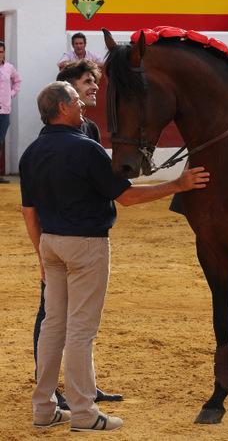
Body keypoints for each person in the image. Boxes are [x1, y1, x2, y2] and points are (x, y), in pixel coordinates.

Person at [20, 81, 209, 431]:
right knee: (79, 331)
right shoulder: (87, 149)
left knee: (53, 327)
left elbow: (28, 213)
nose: (83, 106)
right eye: (76, 101)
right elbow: (126, 197)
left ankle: (44, 409)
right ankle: (83, 413)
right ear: (61, 108)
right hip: (86, 245)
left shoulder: (30, 152)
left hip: (51, 245)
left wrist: (41, 256)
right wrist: (177, 185)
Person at [33, 61, 121, 410]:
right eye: (86, 83)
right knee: (55, 319)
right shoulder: (76, 135)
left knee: (70, 320)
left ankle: (81, 389)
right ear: (66, 94)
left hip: (60, 236)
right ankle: (56, 393)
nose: (93, 89)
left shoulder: (88, 130)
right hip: (69, 236)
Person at [0, 40, 21, 185]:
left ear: (4, 53)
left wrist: (11, 93)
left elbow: (17, 81)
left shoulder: (8, 68)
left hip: (4, 111)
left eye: (1, 51)